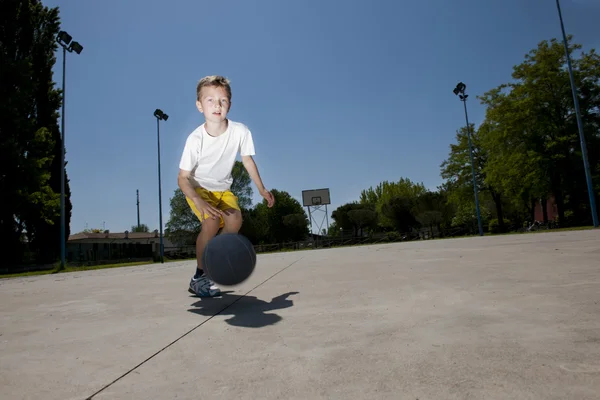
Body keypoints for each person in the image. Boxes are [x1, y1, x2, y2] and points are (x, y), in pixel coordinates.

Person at [177, 75, 275, 297]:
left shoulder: (240, 131)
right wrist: (198, 200)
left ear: (229, 104)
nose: (217, 105)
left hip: (223, 190)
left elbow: (248, 160)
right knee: (211, 223)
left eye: (222, 100)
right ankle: (199, 277)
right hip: (199, 189)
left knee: (235, 220)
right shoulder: (195, 139)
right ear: (199, 105)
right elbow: (182, 178)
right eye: (210, 100)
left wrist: (261, 188)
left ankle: (213, 258)